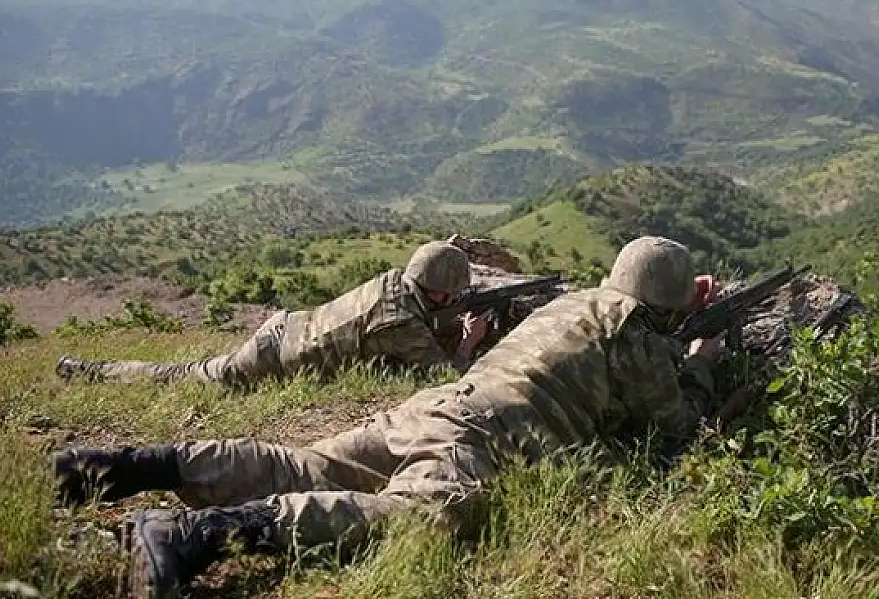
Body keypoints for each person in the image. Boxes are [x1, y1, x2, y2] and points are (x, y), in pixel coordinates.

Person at [52, 235, 725, 599]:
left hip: (437, 406)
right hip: (489, 435)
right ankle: (197, 535)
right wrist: (700, 363)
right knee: (423, 515)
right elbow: (675, 429)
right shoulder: (638, 335)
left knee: (304, 465)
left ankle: (125, 467)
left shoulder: (572, 304)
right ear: (671, 303)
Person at [54, 241, 491, 389]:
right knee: (184, 376)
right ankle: (88, 370)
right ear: (438, 291)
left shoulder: (395, 281)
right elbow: (445, 378)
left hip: (288, 327)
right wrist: (469, 341)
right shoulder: (399, 322)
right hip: (276, 358)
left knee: (189, 371)